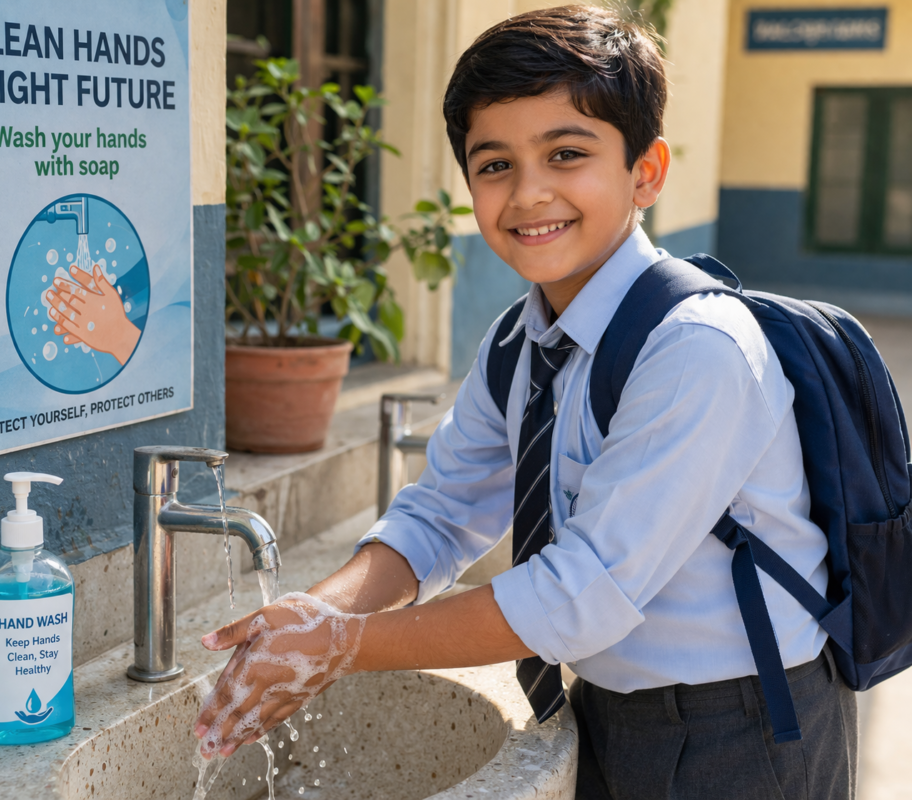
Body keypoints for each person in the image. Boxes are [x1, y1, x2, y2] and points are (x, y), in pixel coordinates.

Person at [193, 6, 857, 797]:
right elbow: (440, 514)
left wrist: (341, 645)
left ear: (645, 170)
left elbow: (578, 598)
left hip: (744, 729)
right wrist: (310, 615)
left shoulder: (697, 350)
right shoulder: (519, 337)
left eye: (566, 154)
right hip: (606, 705)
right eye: (494, 165)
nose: (528, 194)